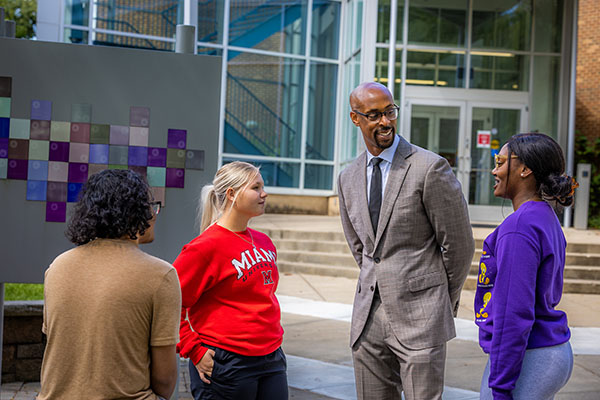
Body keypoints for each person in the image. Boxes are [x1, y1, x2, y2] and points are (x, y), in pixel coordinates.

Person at [337, 82, 474, 400]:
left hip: (421, 317)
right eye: (373, 115)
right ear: (355, 119)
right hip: (367, 319)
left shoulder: (429, 167)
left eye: (389, 111)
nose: (385, 121)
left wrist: (440, 299)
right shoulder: (348, 177)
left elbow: (459, 243)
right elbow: (361, 248)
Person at [38, 169, 181, 400]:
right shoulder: (161, 275)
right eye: (151, 206)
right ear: (136, 213)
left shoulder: (57, 267)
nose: (154, 214)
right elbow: (164, 381)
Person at [174, 161, 287, 400]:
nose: (264, 194)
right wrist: (194, 349)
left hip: (272, 357)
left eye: (262, 187)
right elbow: (168, 303)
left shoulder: (264, 242)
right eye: (256, 187)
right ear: (232, 194)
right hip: (226, 362)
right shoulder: (204, 248)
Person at [476, 133, 575, 399]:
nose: (494, 169)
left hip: (531, 356)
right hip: (549, 352)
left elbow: (513, 312)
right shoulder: (544, 216)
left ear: (525, 169)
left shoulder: (520, 227)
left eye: (500, 161)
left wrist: (501, 385)